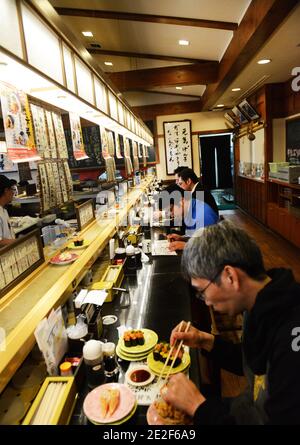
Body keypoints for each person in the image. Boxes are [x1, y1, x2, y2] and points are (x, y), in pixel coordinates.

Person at [162, 221, 300, 424]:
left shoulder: (291, 342)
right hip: (248, 408)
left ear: (230, 276)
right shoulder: (260, 303)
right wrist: (203, 340)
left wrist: (198, 406)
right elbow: (255, 368)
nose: (206, 301)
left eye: (202, 291)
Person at [0, 175, 16, 246]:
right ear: (6, 190)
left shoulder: (3, 210)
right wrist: (20, 241)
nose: (13, 193)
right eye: (12, 189)